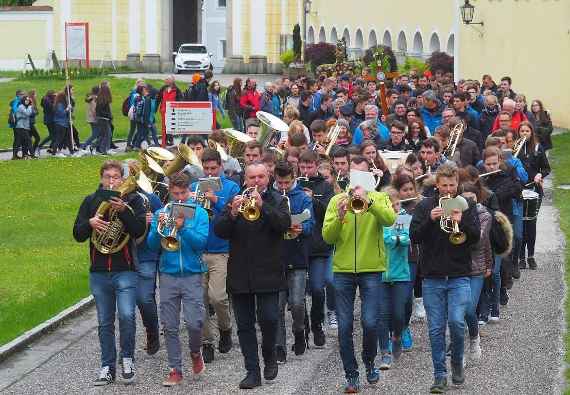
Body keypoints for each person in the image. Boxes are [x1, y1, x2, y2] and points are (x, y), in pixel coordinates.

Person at [322, 155, 396, 393]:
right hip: (342, 270)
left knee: (370, 322)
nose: (357, 184)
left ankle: (369, 361)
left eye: (363, 177)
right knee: (344, 326)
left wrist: (370, 202)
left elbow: (390, 219)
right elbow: (327, 237)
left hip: (372, 269)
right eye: (354, 177)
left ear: (371, 178)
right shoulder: (336, 201)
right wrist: (340, 217)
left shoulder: (380, 197)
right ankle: (351, 374)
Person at [214, 162, 290, 389]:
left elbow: (283, 224)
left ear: (268, 178)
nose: (256, 181)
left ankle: (269, 356)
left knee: (269, 319)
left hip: (268, 271)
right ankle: (252, 371)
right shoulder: (236, 199)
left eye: (261, 177)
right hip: (240, 273)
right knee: (245, 325)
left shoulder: (279, 200)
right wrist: (232, 213)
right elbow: (219, 230)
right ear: (245, 179)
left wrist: (262, 206)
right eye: (252, 177)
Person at [72, 160, 146, 386]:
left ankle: (127, 359)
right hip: (99, 270)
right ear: (101, 178)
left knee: (126, 315)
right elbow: (77, 234)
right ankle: (106, 366)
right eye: (108, 177)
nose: (112, 180)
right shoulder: (91, 201)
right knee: (104, 321)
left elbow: (139, 230)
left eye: (116, 176)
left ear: (123, 178)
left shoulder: (133, 200)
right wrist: (90, 223)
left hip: (125, 269)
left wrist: (123, 212)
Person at [410, 163, 480, 393]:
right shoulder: (425, 206)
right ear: (437, 185)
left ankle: (457, 362)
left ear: (457, 184)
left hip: (459, 275)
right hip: (432, 277)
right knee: (435, 329)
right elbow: (414, 236)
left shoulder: (467, 205)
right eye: (444, 186)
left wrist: (462, 222)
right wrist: (430, 219)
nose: (448, 190)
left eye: (452, 185)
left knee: (457, 322)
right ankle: (439, 375)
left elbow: (476, 237)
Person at [147, 172, 209, 386]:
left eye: (183, 193)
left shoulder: (199, 213)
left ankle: (195, 352)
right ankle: (175, 369)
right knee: (170, 325)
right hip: (168, 274)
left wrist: (183, 228)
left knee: (194, 322)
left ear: (189, 192)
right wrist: (157, 229)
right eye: (175, 194)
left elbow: (201, 243)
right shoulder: (161, 212)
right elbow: (152, 245)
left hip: (192, 273)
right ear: (170, 193)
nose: (180, 198)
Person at [190, 149, 240, 363]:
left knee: (218, 297)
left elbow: (232, 215)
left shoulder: (231, 186)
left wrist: (215, 200)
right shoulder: (194, 187)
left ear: (221, 166)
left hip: (221, 251)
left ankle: (226, 328)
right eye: (206, 168)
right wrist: (192, 202)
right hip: (199, 251)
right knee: (199, 300)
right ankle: (207, 341)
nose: (210, 172)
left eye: (213, 168)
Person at [273, 161, 315, 361]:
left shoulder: (302, 197)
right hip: (275, 256)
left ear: (294, 179)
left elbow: (311, 224)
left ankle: (299, 330)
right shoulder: (270, 197)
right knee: (277, 306)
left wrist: (302, 228)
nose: (283, 187)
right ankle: (279, 346)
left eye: (287, 183)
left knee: (297, 302)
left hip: (297, 255)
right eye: (280, 182)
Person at [125, 160, 162, 356]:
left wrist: (152, 221)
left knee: (144, 298)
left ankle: (152, 331)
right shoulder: (115, 198)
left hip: (146, 253)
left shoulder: (150, 198)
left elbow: (165, 222)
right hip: (124, 255)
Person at [377, 188, 413, 369]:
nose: (394, 208)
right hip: (381, 274)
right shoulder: (380, 220)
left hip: (400, 275)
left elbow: (404, 239)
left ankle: (397, 335)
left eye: (397, 204)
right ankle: (385, 352)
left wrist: (393, 237)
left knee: (399, 313)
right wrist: (394, 237)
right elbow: (388, 238)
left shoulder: (402, 218)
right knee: (382, 315)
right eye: (390, 205)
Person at [460, 182, 492, 363]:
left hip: (476, 267)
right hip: (456, 267)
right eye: (464, 198)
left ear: (477, 198)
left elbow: (478, 241)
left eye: (471, 198)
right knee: (455, 312)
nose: (467, 202)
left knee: (469, 308)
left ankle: (474, 338)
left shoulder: (484, 214)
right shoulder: (454, 211)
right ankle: (457, 349)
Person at [516, 122, 550, 270]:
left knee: (531, 224)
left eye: (527, 131)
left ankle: (531, 255)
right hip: (519, 190)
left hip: (534, 190)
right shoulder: (515, 149)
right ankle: (521, 257)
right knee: (521, 224)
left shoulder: (537, 148)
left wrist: (539, 174)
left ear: (531, 132)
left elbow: (546, 168)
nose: (524, 133)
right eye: (522, 131)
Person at [157, 76, 184, 147]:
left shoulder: (177, 89)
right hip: (163, 110)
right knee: (164, 126)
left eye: (167, 79)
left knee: (170, 125)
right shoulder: (163, 88)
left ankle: (170, 140)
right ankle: (165, 141)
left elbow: (180, 99)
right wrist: (155, 108)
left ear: (172, 81)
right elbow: (159, 98)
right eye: (166, 79)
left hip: (172, 111)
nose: (165, 81)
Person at [13, 94, 35, 159]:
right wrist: (30, 107)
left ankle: (15, 156)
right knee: (29, 140)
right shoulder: (21, 106)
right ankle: (32, 155)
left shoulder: (26, 107)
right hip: (20, 127)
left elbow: (32, 113)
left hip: (24, 127)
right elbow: (27, 113)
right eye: (26, 100)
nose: (27, 101)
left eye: (28, 100)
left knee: (19, 142)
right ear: (23, 100)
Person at [95, 83, 113, 155]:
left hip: (104, 119)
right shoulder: (102, 100)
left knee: (103, 135)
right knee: (107, 135)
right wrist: (108, 115)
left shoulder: (102, 100)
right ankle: (103, 150)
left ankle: (94, 146)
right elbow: (99, 111)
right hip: (103, 119)